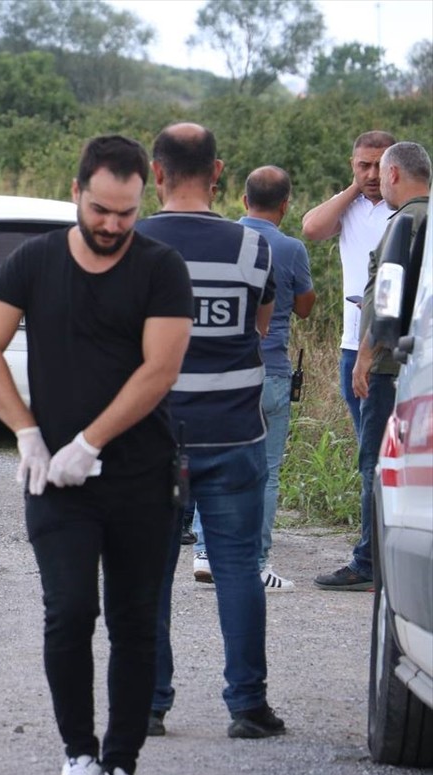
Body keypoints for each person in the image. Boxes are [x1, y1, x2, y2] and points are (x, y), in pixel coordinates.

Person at [0, 135, 192, 775]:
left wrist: (90, 441)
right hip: (54, 479)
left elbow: (161, 368)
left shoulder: (161, 268)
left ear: (143, 198)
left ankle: (120, 767)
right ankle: (78, 757)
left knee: (135, 621)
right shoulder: (34, 262)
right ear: (76, 192)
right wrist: (27, 433)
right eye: (100, 210)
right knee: (68, 612)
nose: (113, 225)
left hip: (142, 476)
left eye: (126, 213)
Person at [139, 123, 282, 742]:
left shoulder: (132, 245)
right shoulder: (253, 247)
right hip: (233, 436)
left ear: (156, 171)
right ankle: (248, 706)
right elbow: (260, 325)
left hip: (151, 438)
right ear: (218, 171)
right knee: (237, 569)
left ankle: (150, 706)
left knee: (148, 575)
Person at [190, 167, 316, 593]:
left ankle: (205, 552)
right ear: (286, 205)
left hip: (224, 371)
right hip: (271, 371)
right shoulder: (292, 248)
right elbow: (304, 308)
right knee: (266, 472)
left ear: (244, 201)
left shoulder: (225, 239)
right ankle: (256, 563)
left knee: (213, 460)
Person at [317, 141, 430, 591]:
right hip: (420, 362)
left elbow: (386, 300)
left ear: (394, 174)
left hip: (387, 366)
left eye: (381, 173)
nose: (378, 182)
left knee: (376, 464)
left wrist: (364, 357)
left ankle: (368, 562)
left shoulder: (402, 222)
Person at [301, 131, 396, 436]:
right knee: (365, 438)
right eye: (364, 165)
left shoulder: (407, 207)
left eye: (380, 165)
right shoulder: (349, 205)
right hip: (353, 344)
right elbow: (312, 228)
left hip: (396, 345)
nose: (372, 174)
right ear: (352, 164)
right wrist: (355, 188)